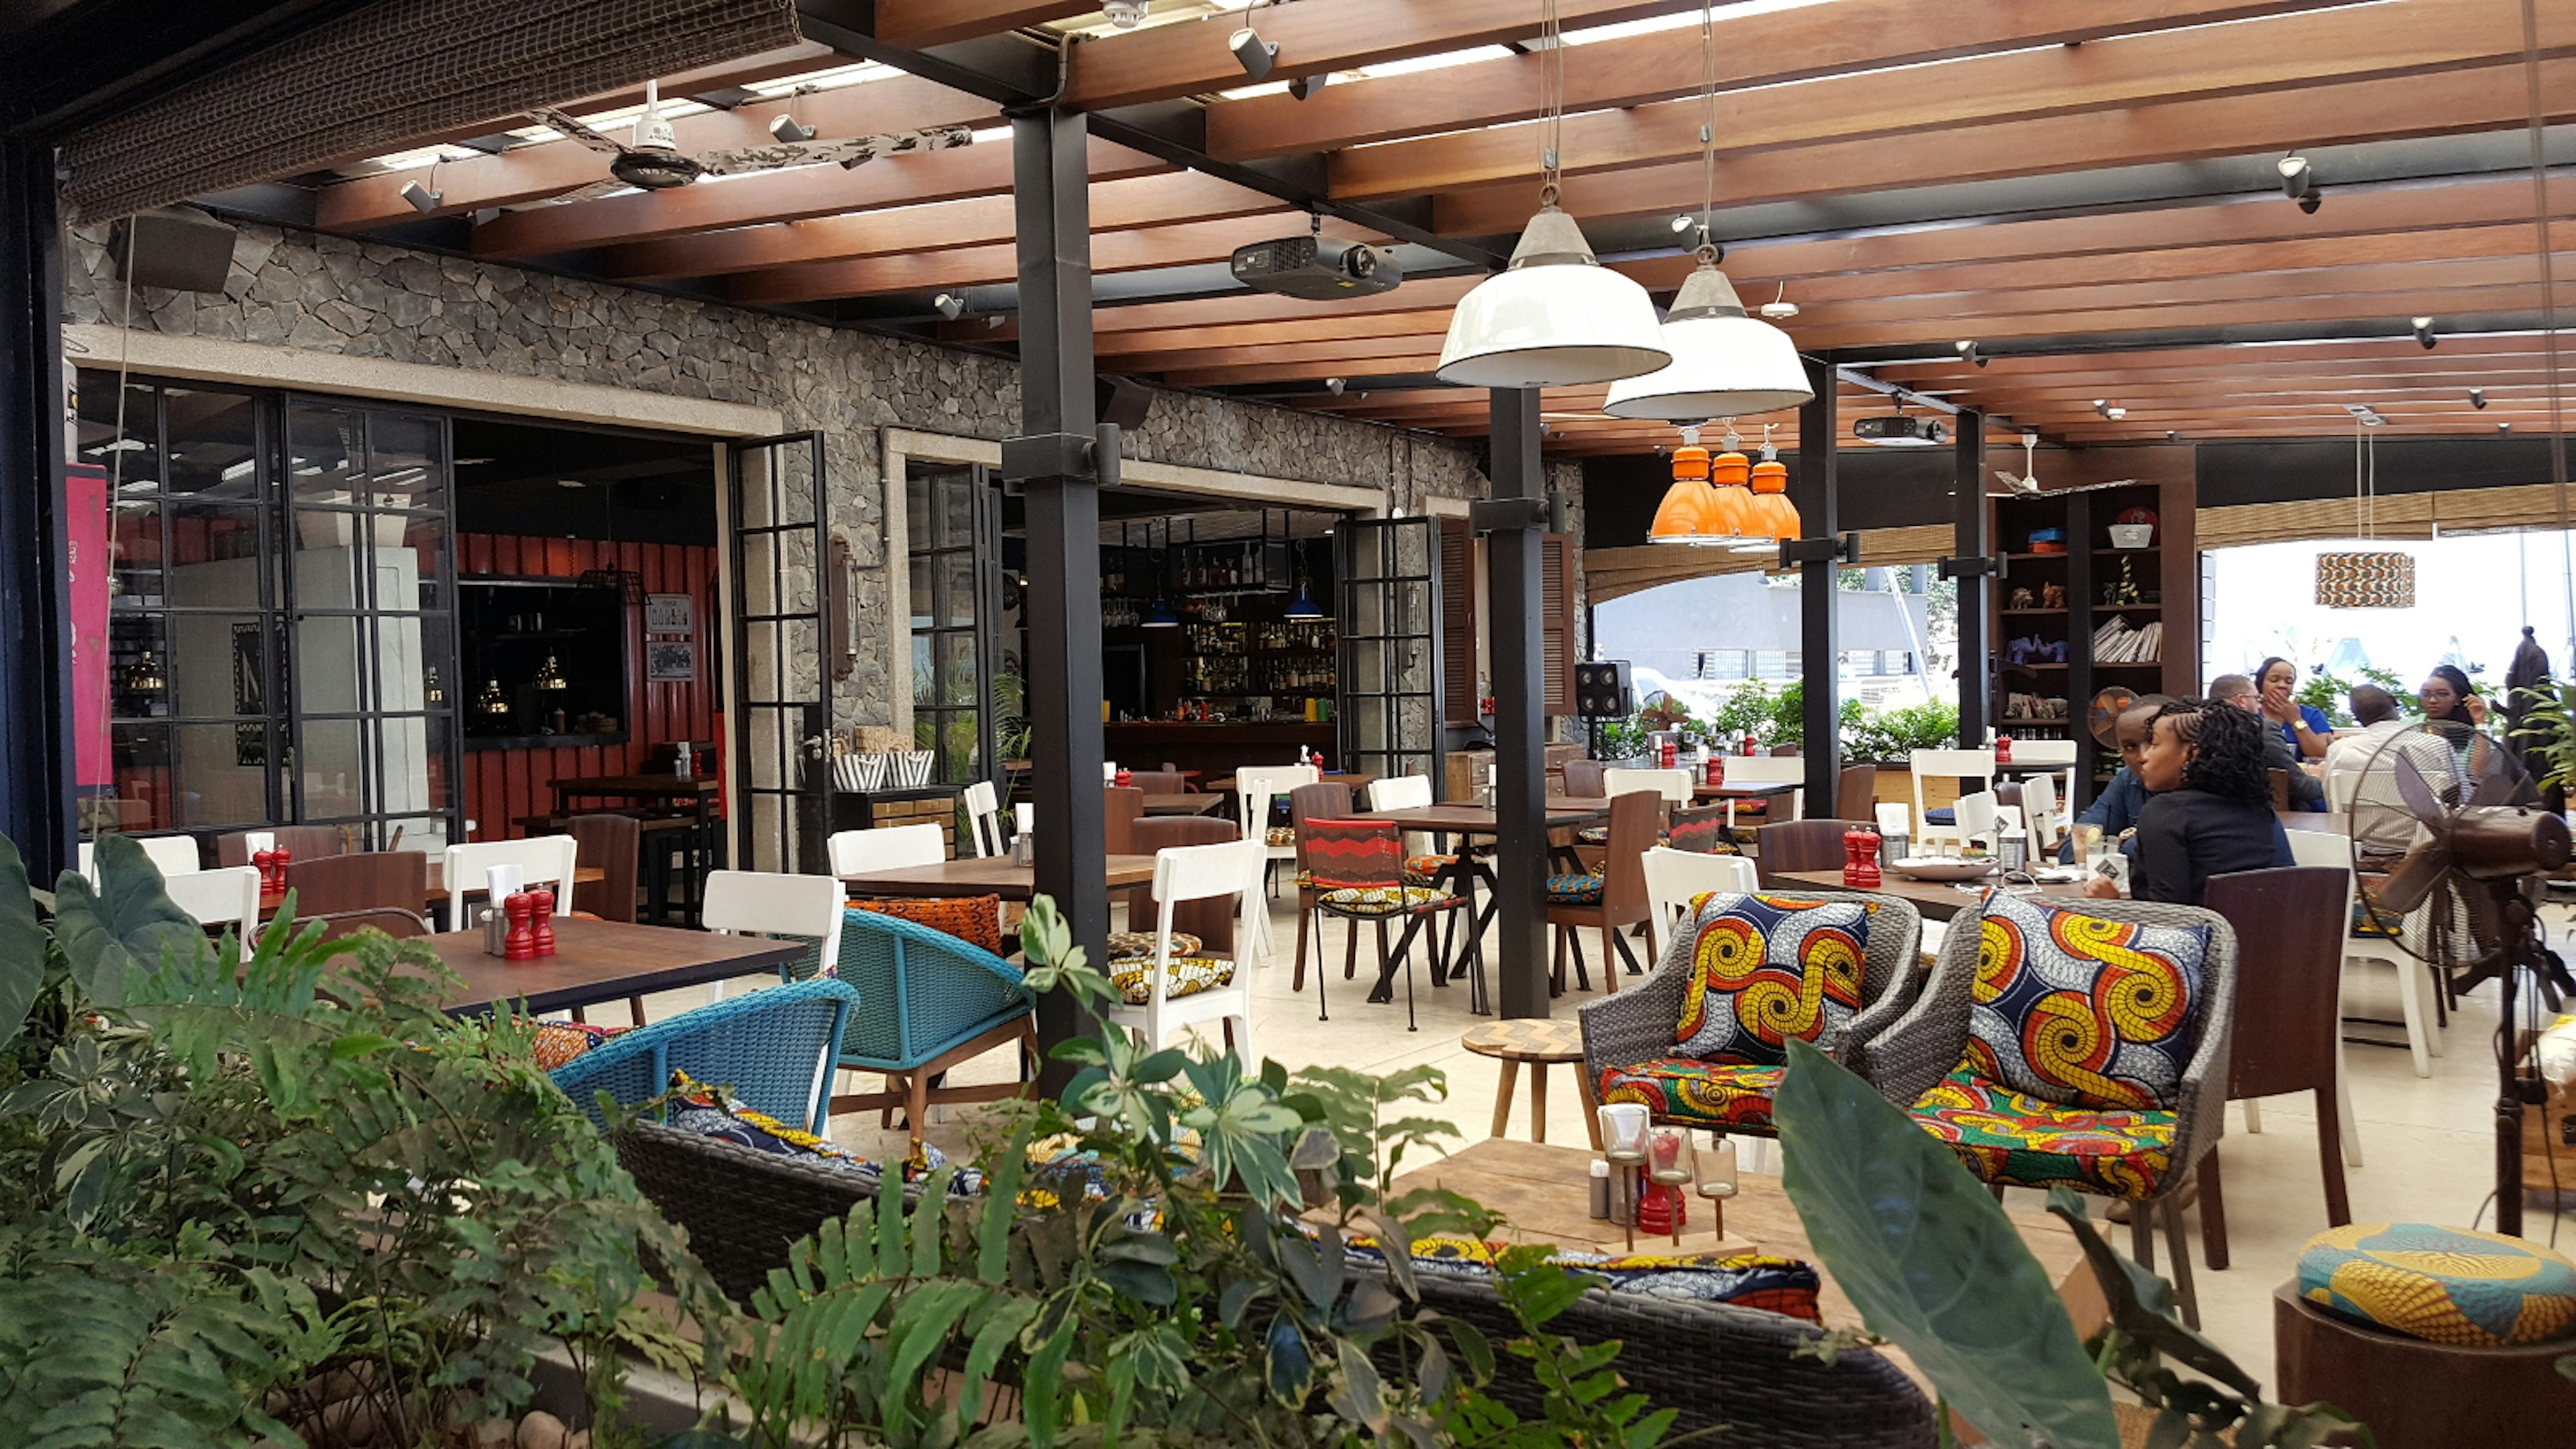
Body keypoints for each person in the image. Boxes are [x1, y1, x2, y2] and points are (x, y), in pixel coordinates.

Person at [2089, 698, 2281, 906]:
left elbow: (2168, 917)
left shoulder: (2166, 812)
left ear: (2192, 753)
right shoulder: (2258, 808)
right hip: (2261, 935)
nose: (2144, 756)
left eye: (2154, 744)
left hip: (2202, 938)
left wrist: (2112, 905)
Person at [2324, 684, 2461, 855]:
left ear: (2358, 717)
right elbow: (2463, 800)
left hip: (2361, 851)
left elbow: (2331, 803)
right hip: (2425, 854)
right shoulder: (2436, 745)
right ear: (2394, 701)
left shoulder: (2339, 750)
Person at [2059, 696, 2163, 862]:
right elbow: (2072, 850)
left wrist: (2122, 846)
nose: (2143, 756)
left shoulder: (2203, 785)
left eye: (2153, 742)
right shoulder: (2128, 780)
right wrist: (2124, 846)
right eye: (2130, 747)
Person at [2209, 672, 2324, 810]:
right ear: (2242, 701)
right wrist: (2318, 778)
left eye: (2289, 681)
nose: (2259, 706)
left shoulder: (2197, 727)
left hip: (2210, 810)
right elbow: (2301, 788)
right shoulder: (2262, 729)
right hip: (2262, 815)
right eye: (2257, 699)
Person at [2255, 655, 2332, 759]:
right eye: (2274, 680)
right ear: (2260, 684)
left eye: (2289, 681)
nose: (2282, 685)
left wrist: (2296, 720)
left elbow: (2319, 754)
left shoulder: (2312, 715)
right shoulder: (2250, 713)